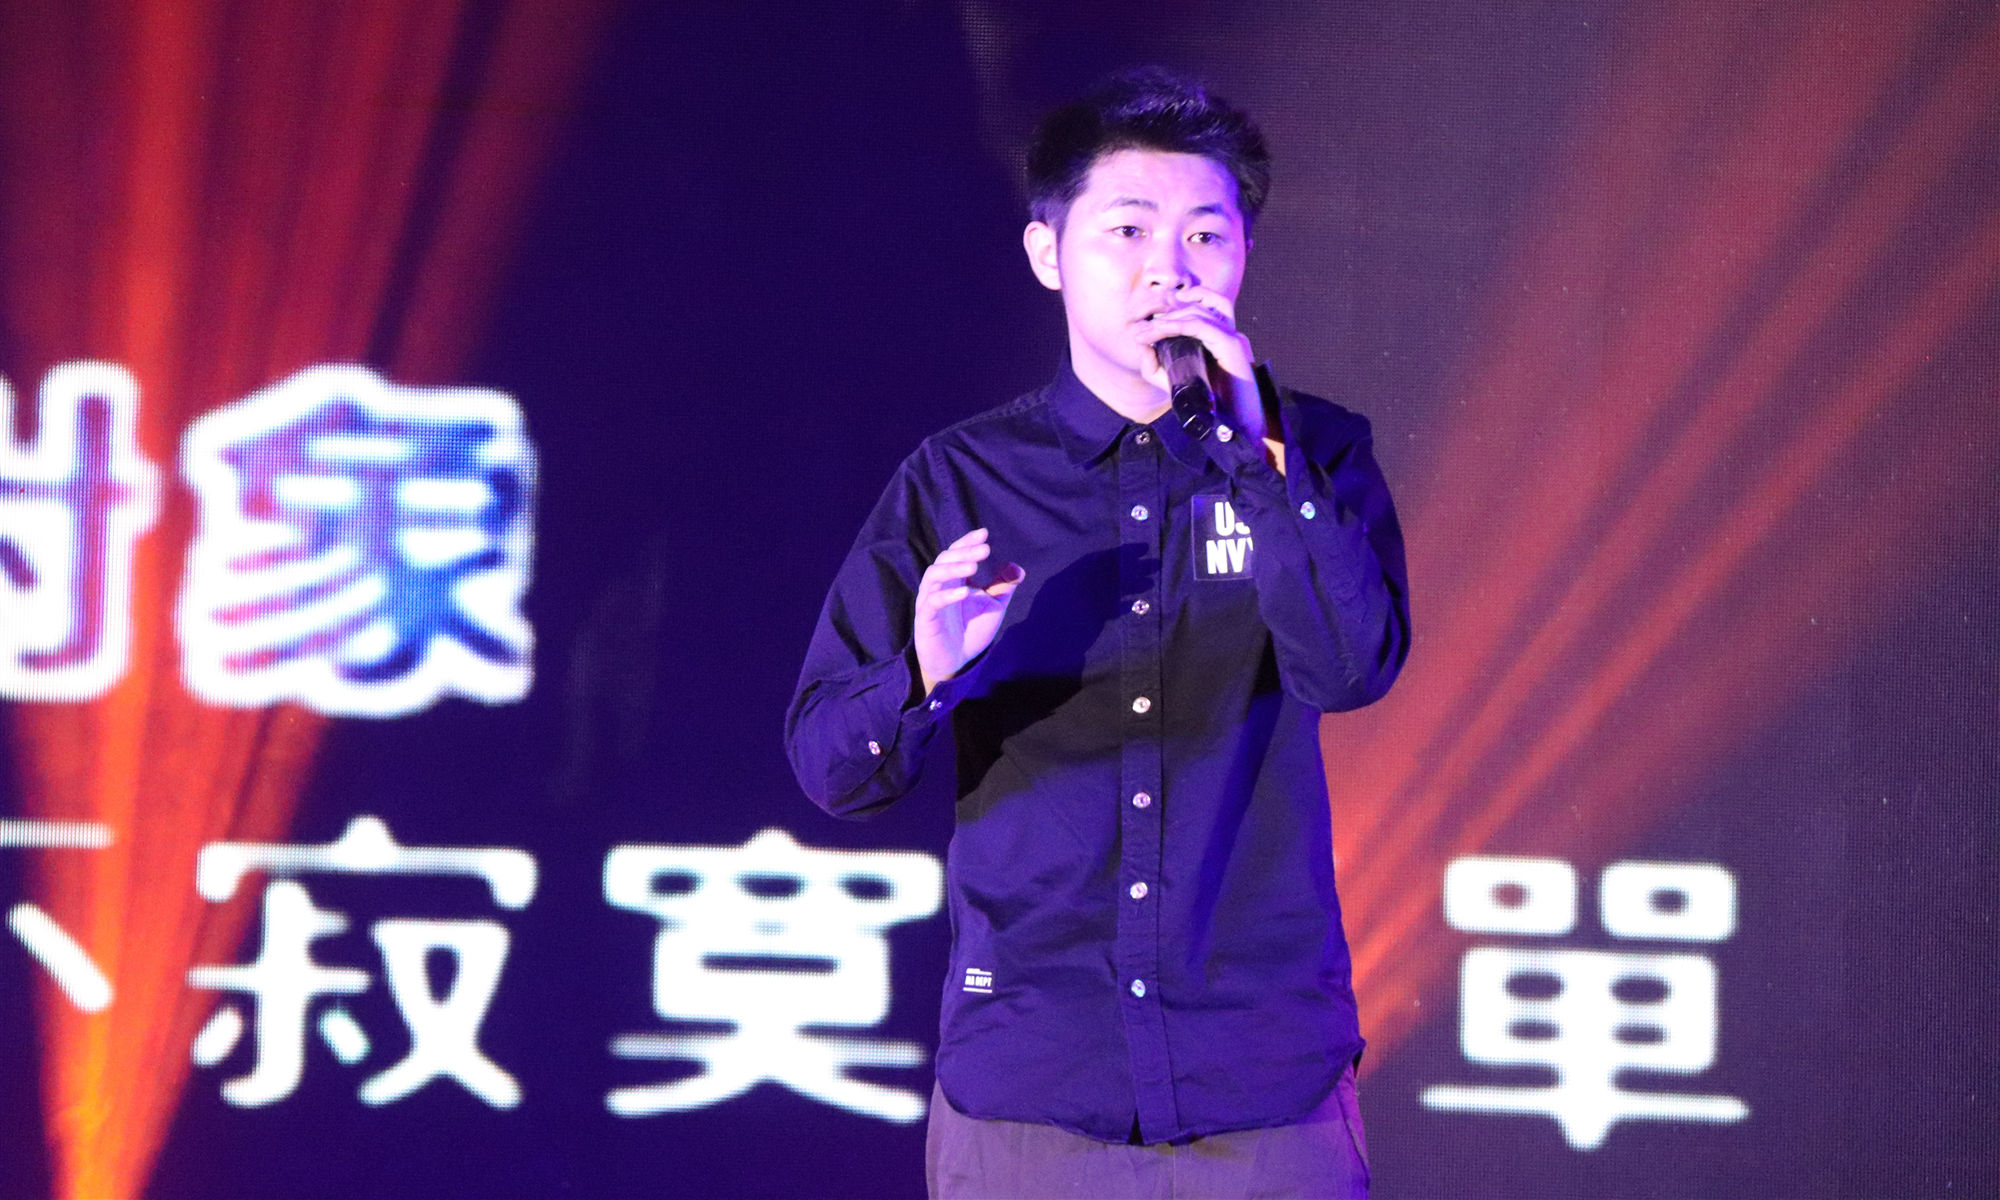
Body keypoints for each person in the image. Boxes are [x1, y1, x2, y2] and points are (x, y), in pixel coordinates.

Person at [785, 67, 1410, 1199]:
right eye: (1127, 231)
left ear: (1242, 255)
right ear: (1048, 254)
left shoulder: (1314, 454)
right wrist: (924, 670)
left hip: (1262, 1083)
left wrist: (1255, 457)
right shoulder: (960, 478)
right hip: (1034, 1086)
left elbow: (1350, 666)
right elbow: (833, 766)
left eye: (1204, 235)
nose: (1169, 267)